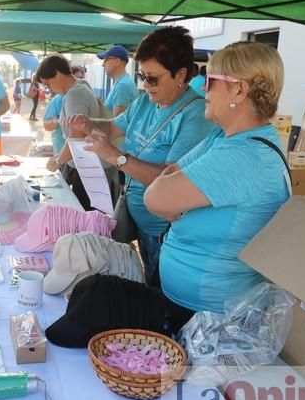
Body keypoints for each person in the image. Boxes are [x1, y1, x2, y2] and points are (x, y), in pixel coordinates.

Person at [47, 41, 290, 348]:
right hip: (188, 303)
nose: (204, 89)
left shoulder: (243, 154)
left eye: (211, 81)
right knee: (89, 295)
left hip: (206, 318)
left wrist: (167, 186)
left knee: (94, 304)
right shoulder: (225, 138)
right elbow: (167, 176)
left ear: (239, 90)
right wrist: (173, 187)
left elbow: (156, 198)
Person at [66, 26, 216, 285]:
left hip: (167, 232)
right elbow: (113, 126)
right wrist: (87, 124)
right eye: (142, 76)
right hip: (140, 222)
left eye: (153, 78)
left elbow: (173, 179)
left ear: (180, 74)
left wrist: (117, 158)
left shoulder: (195, 115)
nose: (145, 85)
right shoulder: (146, 101)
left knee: (160, 293)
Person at [38, 54, 120, 211]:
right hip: (92, 166)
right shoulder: (81, 87)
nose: (49, 89)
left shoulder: (75, 93)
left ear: (57, 73)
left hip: (90, 169)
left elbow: (77, 135)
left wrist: (58, 161)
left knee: (87, 222)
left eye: (48, 84)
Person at [96, 45, 138, 116]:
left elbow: (117, 124)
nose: (103, 64)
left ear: (117, 61)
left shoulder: (122, 86)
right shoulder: (123, 82)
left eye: (106, 60)